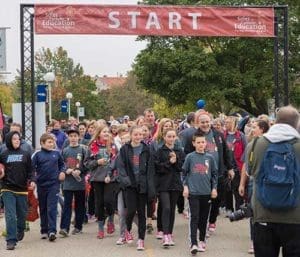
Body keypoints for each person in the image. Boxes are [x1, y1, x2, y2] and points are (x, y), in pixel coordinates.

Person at [249, 105, 300, 257]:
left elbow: (250, 171)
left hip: (263, 215)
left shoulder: (255, 145)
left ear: (276, 122)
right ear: (296, 124)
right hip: (295, 217)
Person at [118, 126, 155, 251]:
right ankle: (128, 230)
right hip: (130, 186)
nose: (138, 137)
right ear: (131, 135)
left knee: (142, 213)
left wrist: (151, 187)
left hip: (143, 186)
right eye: (136, 134)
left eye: (140, 134)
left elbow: (151, 170)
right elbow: (121, 167)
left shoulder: (147, 149)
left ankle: (141, 240)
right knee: (131, 211)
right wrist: (126, 181)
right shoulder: (124, 149)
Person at [182, 131, 218, 254]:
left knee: (203, 218)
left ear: (206, 143)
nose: (201, 144)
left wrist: (214, 188)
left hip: (206, 193)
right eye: (198, 142)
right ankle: (193, 243)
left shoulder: (210, 158)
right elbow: (184, 173)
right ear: (194, 143)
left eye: (203, 142)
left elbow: (214, 175)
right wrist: (185, 187)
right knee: (194, 217)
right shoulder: (190, 157)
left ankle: (202, 240)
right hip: (194, 193)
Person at [239, 119, 269, 254]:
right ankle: (253, 240)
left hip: (268, 183)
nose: (252, 129)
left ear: (262, 129)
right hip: (253, 182)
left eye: (255, 127)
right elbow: (245, 165)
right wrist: (242, 183)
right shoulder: (251, 144)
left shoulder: (272, 144)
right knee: (253, 212)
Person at [0, 131, 34, 250]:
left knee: (22, 215)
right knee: (10, 215)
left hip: (22, 189)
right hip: (7, 188)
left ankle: (20, 229)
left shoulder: (25, 154)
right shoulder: (3, 154)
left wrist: (32, 180)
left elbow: (31, 170)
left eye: (18, 139)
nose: (17, 140)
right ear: (9, 140)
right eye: (14, 139)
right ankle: (11, 240)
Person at [84, 124, 117, 239]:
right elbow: (87, 163)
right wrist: (97, 162)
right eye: (104, 132)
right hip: (97, 178)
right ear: (98, 134)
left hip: (110, 179)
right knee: (99, 203)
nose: (106, 133)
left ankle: (111, 220)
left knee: (109, 201)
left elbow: (115, 163)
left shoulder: (113, 146)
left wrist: (110, 174)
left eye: (108, 132)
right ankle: (100, 228)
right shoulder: (92, 146)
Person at [154, 128, 185, 247]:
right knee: (166, 208)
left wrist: (176, 161)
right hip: (163, 185)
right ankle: (165, 234)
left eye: (173, 136)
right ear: (164, 137)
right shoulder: (160, 151)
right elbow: (158, 168)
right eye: (169, 136)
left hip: (175, 184)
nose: (171, 139)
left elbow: (181, 167)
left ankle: (169, 234)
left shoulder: (179, 151)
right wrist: (169, 162)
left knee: (172, 209)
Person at [31, 133, 66, 241]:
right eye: (49, 142)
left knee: (52, 208)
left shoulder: (57, 153)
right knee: (43, 207)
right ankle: (44, 230)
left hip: (54, 184)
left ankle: (52, 231)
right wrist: (33, 180)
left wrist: (62, 172)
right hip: (41, 185)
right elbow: (31, 169)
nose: (52, 144)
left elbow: (62, 165)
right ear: (42, 143)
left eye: (53, 142)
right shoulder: (37, 155)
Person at [59, 129, 87, 237]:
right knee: (67, 206)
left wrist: (81, 170)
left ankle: (78, 227)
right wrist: (66, 170)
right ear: (68, 137)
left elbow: (87, 164)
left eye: (75, 136)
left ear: (78, 137)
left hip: (80, 184)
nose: (73, 138)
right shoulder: (65, 150)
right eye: (71, 136)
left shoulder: (83, 149)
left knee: (80, 206)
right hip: (68, 184)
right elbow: (61, 164)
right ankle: (64, 228)